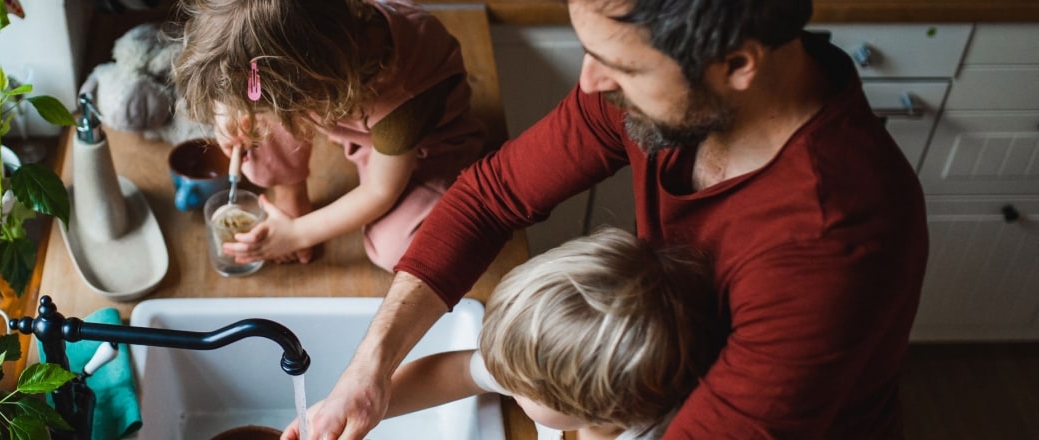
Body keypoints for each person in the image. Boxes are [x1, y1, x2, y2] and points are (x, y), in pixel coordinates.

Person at [289, 0, 930, 438]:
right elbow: (490, 196)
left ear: (738, 65)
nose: (590, 82)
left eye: (621, 66)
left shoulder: (833, 238)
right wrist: (369, 369)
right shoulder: (650, 94)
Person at [172, 0, 485, 270]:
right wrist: (227, 110)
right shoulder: (306, 49)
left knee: (399, 250)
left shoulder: (404, 95)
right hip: (326, 95)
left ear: (316, 91)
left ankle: (299, 209)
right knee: (255, 116)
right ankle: (291, 194)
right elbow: (246, 65)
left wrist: (298, 234)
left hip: (424, 146)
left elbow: (380, 192)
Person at [376, 228, 723, 440]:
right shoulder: (551, 373)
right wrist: (369, 409)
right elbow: (461, 372)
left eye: (519, 387)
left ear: (606, 412)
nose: (502, 379)